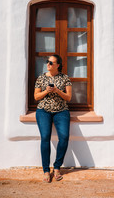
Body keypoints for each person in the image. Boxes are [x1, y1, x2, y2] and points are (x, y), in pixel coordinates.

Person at [34, 54, 72, 183]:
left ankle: (56, 167)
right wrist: (46, 91)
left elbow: (68, 97)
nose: (48, 64)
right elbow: (36, 97)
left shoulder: (65, 78)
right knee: (45, 137)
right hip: (43, 111)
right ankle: (46, 170)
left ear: (58, 65)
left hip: (61, 111)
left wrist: (57, 91)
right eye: (47, 62)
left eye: (51, 62)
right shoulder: (41, 78)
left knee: (64, 137)